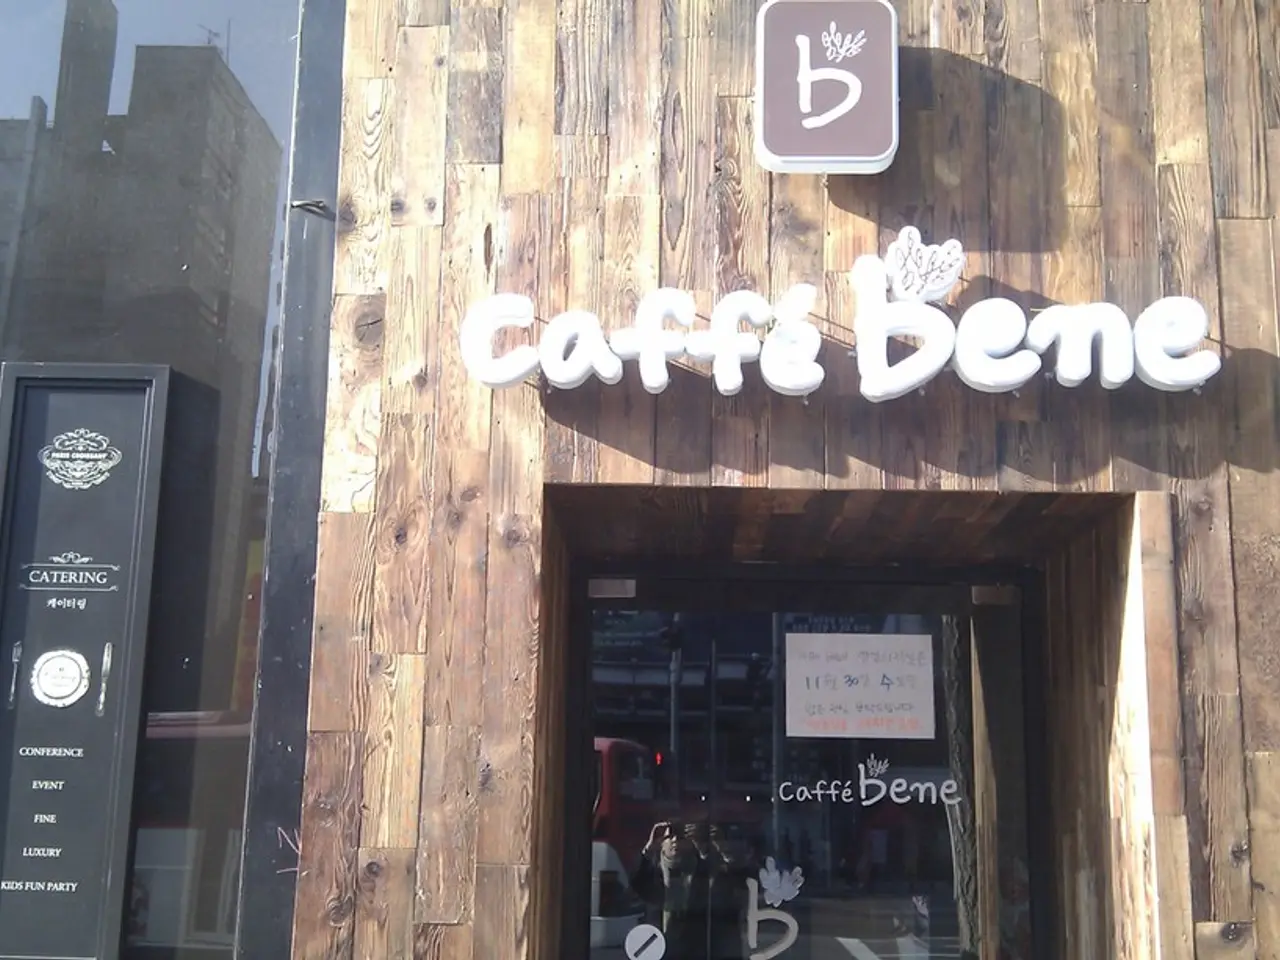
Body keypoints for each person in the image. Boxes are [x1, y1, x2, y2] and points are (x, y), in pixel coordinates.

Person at [630, 818, 755, 959]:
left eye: (681, 836)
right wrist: (649, 848)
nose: (675, 840)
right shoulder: (655, 874)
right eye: (669, 836)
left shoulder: (703, 870)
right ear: (661, 844)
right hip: (665, 951)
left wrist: (716, 847)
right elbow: (637, 888)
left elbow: (739, 880)